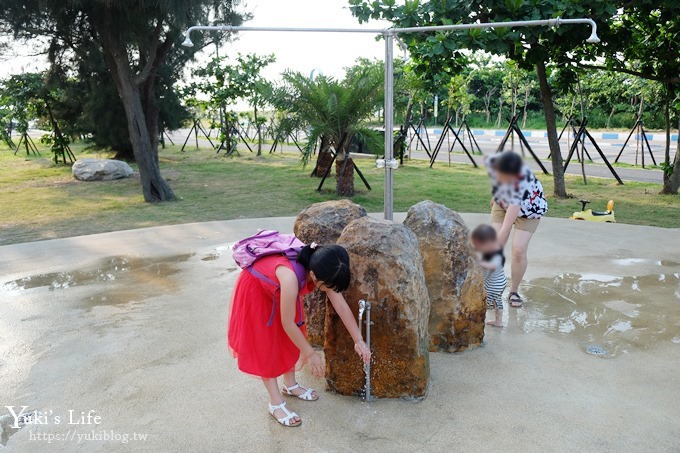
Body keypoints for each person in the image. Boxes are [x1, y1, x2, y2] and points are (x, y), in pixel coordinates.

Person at [228, 243, 371, 428]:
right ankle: (275, 403)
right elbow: (287, 324)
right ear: (313, 276)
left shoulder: (322, 266)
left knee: (292, 335)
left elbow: (341, 305)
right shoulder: (289, 278)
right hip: (256, 290)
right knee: (266, 344)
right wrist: (310, 354)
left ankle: (290, 385)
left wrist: (358, 340)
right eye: (327, 286)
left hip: (280, 289)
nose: (329, 290)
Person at [486, 151, 547, 307]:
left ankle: (513, 291)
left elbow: (506, 228)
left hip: (528, 211)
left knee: (518, 249)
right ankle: (491, 291)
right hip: (503, 203)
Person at [471, 224, 507, 327]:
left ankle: (477, 323)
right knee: (497, 302)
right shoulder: (493, 249)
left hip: (494, 286)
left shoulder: (497, 255)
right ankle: (498, 321)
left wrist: (479, 262)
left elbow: (493, 265)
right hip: (498, 282)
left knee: (482, 304)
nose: (478, 248)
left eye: (479, 245)